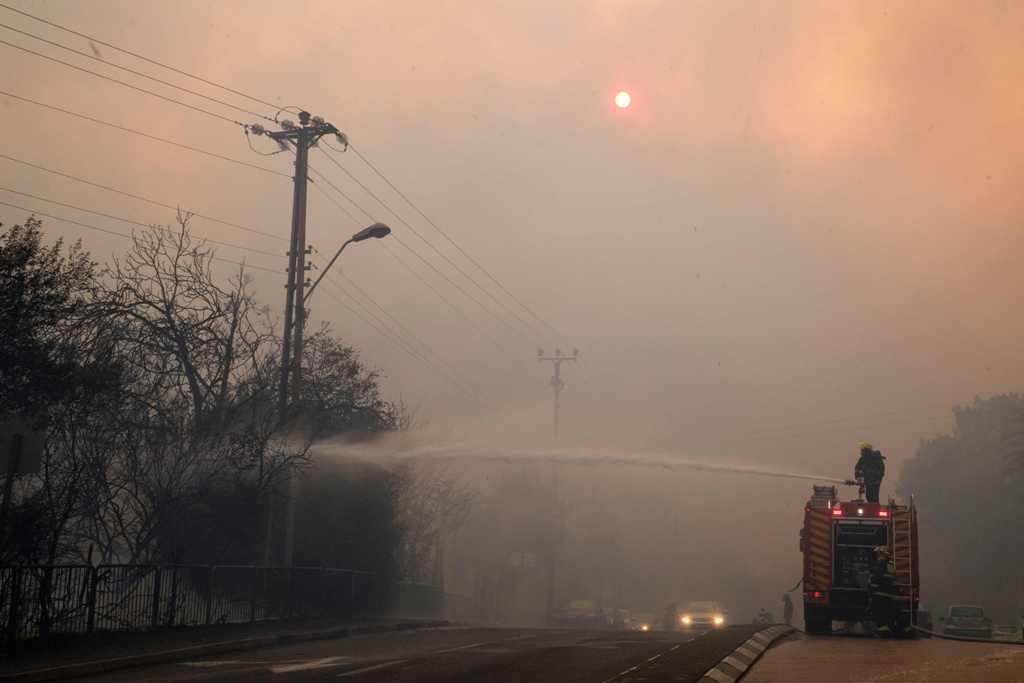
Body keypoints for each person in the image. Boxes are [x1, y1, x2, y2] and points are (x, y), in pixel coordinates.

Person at [868, 546, 898, 636]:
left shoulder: (881, 563)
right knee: (886, 612)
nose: (877, 555)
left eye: (878, 553)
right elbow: (892, 578)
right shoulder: (891, 564)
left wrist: (872, 588)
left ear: (883, 554)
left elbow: (877, 577)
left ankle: (882, 631)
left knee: (878, 612)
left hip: (879, 593)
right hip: (888, 594)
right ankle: (887, 629)